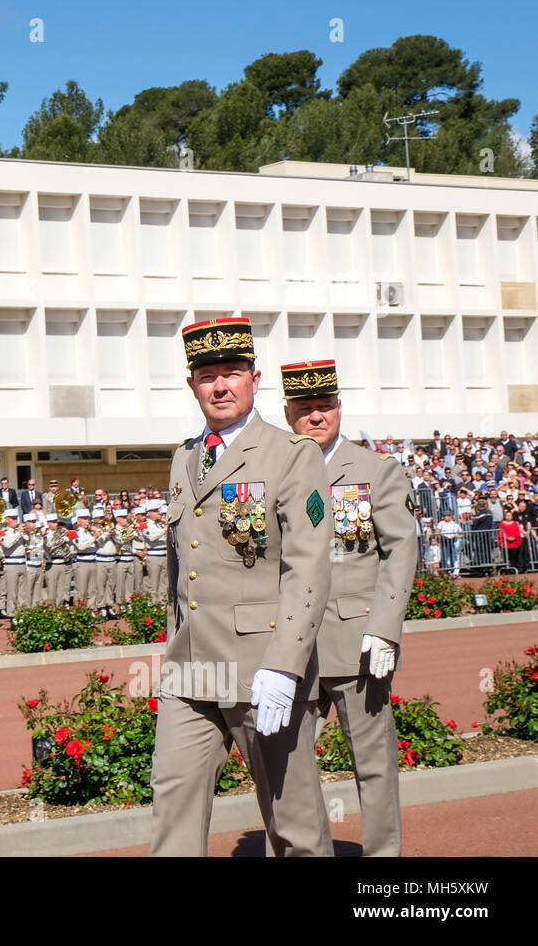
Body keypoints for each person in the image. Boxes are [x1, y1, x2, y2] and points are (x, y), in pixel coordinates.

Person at [151, 317, 333, 857]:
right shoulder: (184, 457)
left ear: (255, 380)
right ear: (192, 385)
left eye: (232, 372)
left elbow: (309, 567)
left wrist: (285, 665)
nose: (220, 385)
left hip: (264, 669)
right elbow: (181, 567)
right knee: (173, 806)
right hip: (193, 667)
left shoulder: (291, 454)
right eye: (208, 375)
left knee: (293, 822)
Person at [281, 359, 417, 857]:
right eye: (305, 409)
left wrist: (385, 629)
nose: (316, 417)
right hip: (289, 644)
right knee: (289, 766)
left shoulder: (374, 470)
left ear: (339, 408)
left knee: (374, 762)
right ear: (289, 412)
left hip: (359, 642)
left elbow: (401, 550)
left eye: (325, 407)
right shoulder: (275, 468)